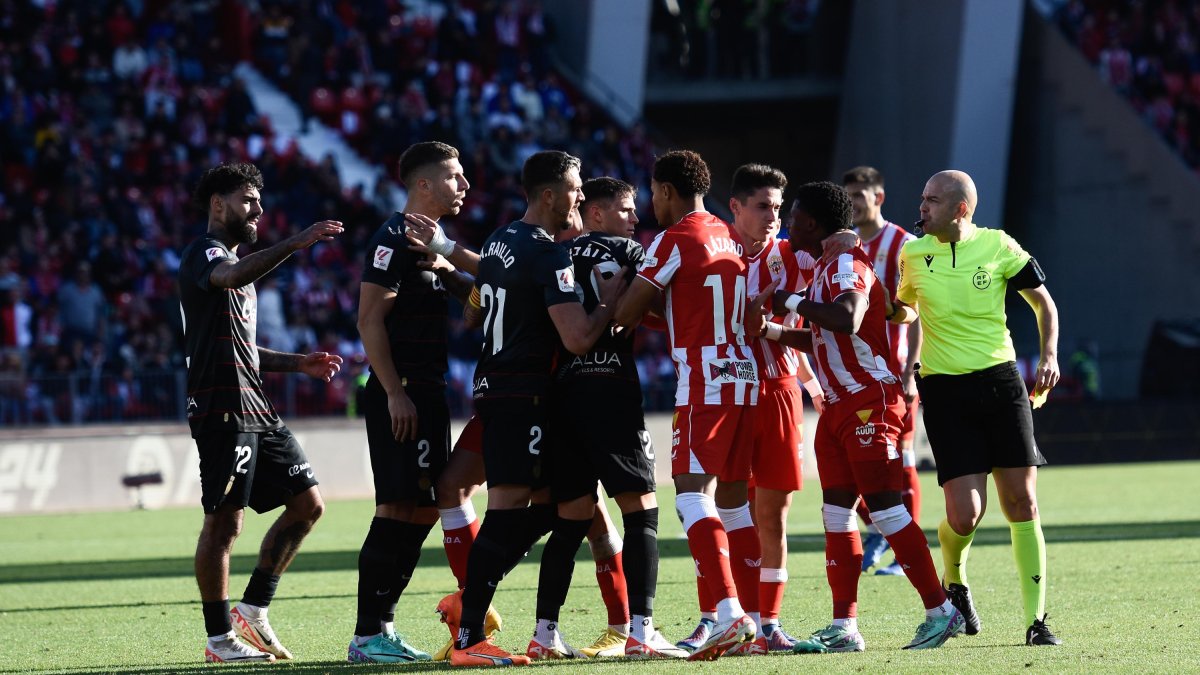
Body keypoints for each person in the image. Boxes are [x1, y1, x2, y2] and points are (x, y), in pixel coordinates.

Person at [758, 181, 963, 653]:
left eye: (793, 219)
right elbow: (827, 338)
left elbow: (847, 318)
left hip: (870, 401)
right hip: (837, 408)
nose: (788, 228)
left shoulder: (848, 264)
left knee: (888, 510)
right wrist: (772, 330)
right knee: (835, 515)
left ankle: (941, 610)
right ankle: (844, 626)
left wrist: (785, 301)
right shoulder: (828, 266)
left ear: (812, 223)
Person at [446, 150, 625, 667]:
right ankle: (469, 633)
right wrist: (612, 299)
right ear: (550, 195)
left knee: (561, 505)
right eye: (575, 187)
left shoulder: (501, 239)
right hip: (523, 394)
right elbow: (576, 338)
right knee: (512, 514)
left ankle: (479, 618)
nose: (581, 195)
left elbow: (474, 309)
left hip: (496, 387)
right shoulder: (550, 256)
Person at [177, 163, 344, 663]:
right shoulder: (207, 255)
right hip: (222, 407)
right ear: (218, 204)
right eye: (248, 199)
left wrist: (299, 364)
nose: (259, 210)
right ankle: (218, 639)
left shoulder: (235, 268)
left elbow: (246, 347)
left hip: (257, 408)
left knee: (309, 504)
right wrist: (295, 244)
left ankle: (251, 610)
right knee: (224, 525)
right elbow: (229, 275)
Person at [890, 170, 1063, 646]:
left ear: (960, 209)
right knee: (965, 515)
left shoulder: (999, 246)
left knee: (1021, 502)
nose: (921, 207)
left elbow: (1043, 304)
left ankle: (1037, 621)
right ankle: (956, 582)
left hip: (1001, 383)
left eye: (932, 200)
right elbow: (906, 307)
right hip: (945, 391)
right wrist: (886, 309)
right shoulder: (912, 253)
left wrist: (1048, 356)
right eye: (922, 198)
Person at [613, 149, 758, 661]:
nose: (652, 201)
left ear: (668, 190)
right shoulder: (727, 234)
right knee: (735, 501)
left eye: (653, 191)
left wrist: (613, 295)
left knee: (691, 495)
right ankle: (754, 620)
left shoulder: (674, 239)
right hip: (745, 375)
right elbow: (684, 306)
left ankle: (726, 613)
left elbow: (628, 312)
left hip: (704, 380)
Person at [677, 163, 820, 656]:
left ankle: (768, 623)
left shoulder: (790, 258)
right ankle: (713, 616)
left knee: (772, 514)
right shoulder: (714, 252)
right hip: (724, 391)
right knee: (717, 503)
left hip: (778, 391)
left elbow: (816, 328)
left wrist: (808, 380)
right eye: (763, 206)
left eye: (778, 208)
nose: (773, 217)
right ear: (734, 206)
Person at [348, 142, 477, 663]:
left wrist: (448, 268)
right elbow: (368, 319)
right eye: (454, 176)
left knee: (423, 508)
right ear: (424, 185)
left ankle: (381, 627)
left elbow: (475, 299)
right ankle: (367, 634)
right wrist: (395, 391)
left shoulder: (433, 245)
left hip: (428, 392)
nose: (463, 185)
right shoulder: (393, 236)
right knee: (398, 506)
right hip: (402, 395)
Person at [552, 177, 685, 659]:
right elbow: (664, 306)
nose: (635, 219)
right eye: (626, 210)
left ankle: (545, 632)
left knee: (571, 517)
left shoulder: (555, 252)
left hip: (561, 395)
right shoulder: (628, 251)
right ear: (597, 214)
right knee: (641, 511)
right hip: (611, 389)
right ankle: (641, 630)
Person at [841, 166, 924, 576]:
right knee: (852, 462)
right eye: (849, 195)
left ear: (879, 197)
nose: (854, 202)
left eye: (861, 194)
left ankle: (904, 549)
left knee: (901, 459)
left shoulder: (903, 245)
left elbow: (921, 313)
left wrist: (911, 371)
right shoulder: (844, 247)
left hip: (894, 375)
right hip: (851, 379)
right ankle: (878, 534)